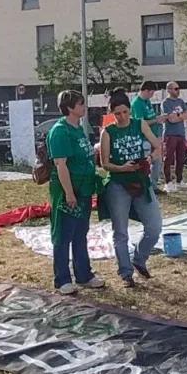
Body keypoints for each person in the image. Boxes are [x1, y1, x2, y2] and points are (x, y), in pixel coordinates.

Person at [99, 89, 162, 288]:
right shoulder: (108, 132)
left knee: (154, 227)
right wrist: (121, 168)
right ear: (112, 113)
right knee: (120, 232)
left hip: (140, 180)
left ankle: (139, 258)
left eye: (125, 112)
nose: (122, 117)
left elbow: (157, 146)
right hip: (118, 183)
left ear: (129, 110)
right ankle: (125, 273)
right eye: (117, 113)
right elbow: (105, 163)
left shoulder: (139, 124)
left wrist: (150, 158)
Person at [47, 90, 102, 295]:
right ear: (69, 107)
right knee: (63, 235)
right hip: (68, 191)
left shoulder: (78, 128)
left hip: (84, 189)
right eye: (80, 103)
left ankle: (84, 275)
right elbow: (61, 165)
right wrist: (69, 193)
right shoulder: (60, 132)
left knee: (80, 233)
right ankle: (62, 279)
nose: (84, 106)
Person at [131, 81, 167, 189]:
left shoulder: (147, 102)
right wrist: (156, 120)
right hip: (144, 137)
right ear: (146, 91)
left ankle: (153, 186)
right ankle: (145, 186)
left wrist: (158, 119)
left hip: (153, 136)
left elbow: (151, 117)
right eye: (151, 93)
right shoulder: (137, 103)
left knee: (156, 161)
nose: (152, 95)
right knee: (147, 162)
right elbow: (140, 123)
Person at [160, 81, 187, 193]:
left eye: (178, 88)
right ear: (169, 90)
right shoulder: (165, 103)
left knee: (181, 158)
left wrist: (178, 115)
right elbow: (171, 119)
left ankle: (179, 179)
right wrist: (181, 116)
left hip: (181, 134)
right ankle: (168, 182)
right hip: (170, 134)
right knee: (168, 158)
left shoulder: (181, 101)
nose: (178, 91)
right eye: (175, 89)